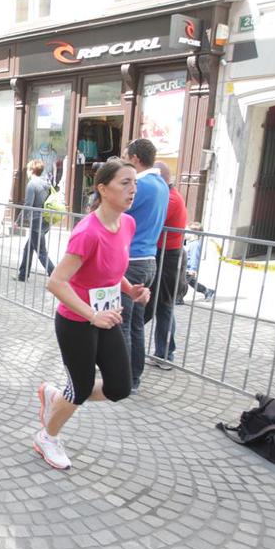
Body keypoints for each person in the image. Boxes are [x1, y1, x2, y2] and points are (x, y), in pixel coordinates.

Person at [34, 159, 150, 470]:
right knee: (81, 386)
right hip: (76, 321)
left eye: (135, 183)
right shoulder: (87, 232)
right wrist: (91, 315)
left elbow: (111, 269)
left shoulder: (128, 224)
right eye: (125, 183)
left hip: (106, 317)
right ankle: (47, 436)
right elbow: (56, 282)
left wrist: (130, 290)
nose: (133, 190)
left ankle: (57, 398)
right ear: (103, 189)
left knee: (120, 387)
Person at [121, 138, 168, 393]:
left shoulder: (142, 185)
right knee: (136, 323)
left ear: (135, 158)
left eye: (125, 157)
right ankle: (133, 376)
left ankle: (125, 378)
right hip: (148, 259)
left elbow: (112, 209)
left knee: (125, 323)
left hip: (132, 261)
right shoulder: (161, 184)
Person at [145, 161, 188, 369]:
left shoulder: (170, 199)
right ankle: (164, 353)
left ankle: (164, 354)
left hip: (167, 257)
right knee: (162, 306)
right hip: (164, 255)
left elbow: (149, 220)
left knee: (160, 306)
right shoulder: (169, 196)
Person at [15, 159, 55, 281]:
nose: (27, 172)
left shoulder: (32, 184)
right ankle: (22, 275)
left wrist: (18, 221)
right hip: (46, 220)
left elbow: (28, 205)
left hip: (37, 221)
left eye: (28, 169)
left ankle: (56, 276)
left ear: (31, 170)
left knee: (41, 253)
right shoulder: (46, 183)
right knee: (29, 247)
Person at [182, 222, 215, 302]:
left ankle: (178, 298)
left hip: (189, 269)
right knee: (192, 282)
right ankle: (207, 291)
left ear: (193, 234)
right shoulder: (189, 243)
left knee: (181, 283)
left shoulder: (195, 245)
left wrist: (193, 269)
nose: (184, 233)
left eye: (187, 231)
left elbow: (194, 258)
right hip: (185, 268)